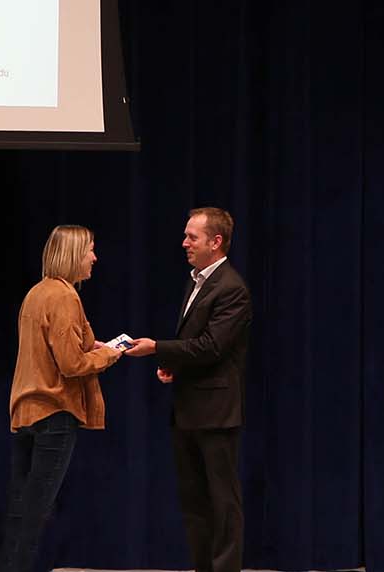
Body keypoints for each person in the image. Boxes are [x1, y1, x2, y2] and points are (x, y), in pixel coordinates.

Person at [123, 207, 252, 572]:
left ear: (216, 242)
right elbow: (197, 347)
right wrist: (174, 367)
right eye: (185, 235)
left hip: (217, 413)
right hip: (189, 409)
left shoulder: (232, 288)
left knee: (222, 502)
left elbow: (212, 346)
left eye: (191, 237)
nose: (184, 243)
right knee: (195, 501)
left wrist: (157, 349)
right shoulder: (197, 282)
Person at [0, 225, 123, 572]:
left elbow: (50, 353)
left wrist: (87, 347)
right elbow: (71, 364)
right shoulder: (65, 297)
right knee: (36, 508)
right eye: (90, 250)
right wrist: (109, 354)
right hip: (54, 412)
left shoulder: (36, 293)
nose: (94, 258)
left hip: (25, 411)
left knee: (22, 505)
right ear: (73, 254)